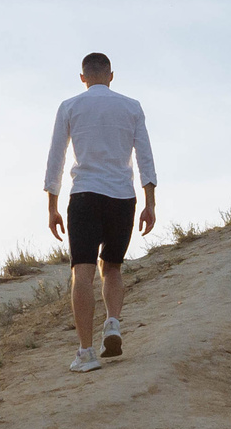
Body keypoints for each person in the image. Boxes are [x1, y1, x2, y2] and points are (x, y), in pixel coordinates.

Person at [43, 51, 156, 374]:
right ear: (111, 75)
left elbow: (56, 158)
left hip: (85, 195)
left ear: (83, 77)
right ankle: (113, 322)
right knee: (113, 267)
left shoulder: (70, 106)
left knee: (82, 272)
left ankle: (86, 351)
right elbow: (145, 156)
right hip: (122, 196)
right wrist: (150, 203)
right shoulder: (131, 106)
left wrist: (52, 207)